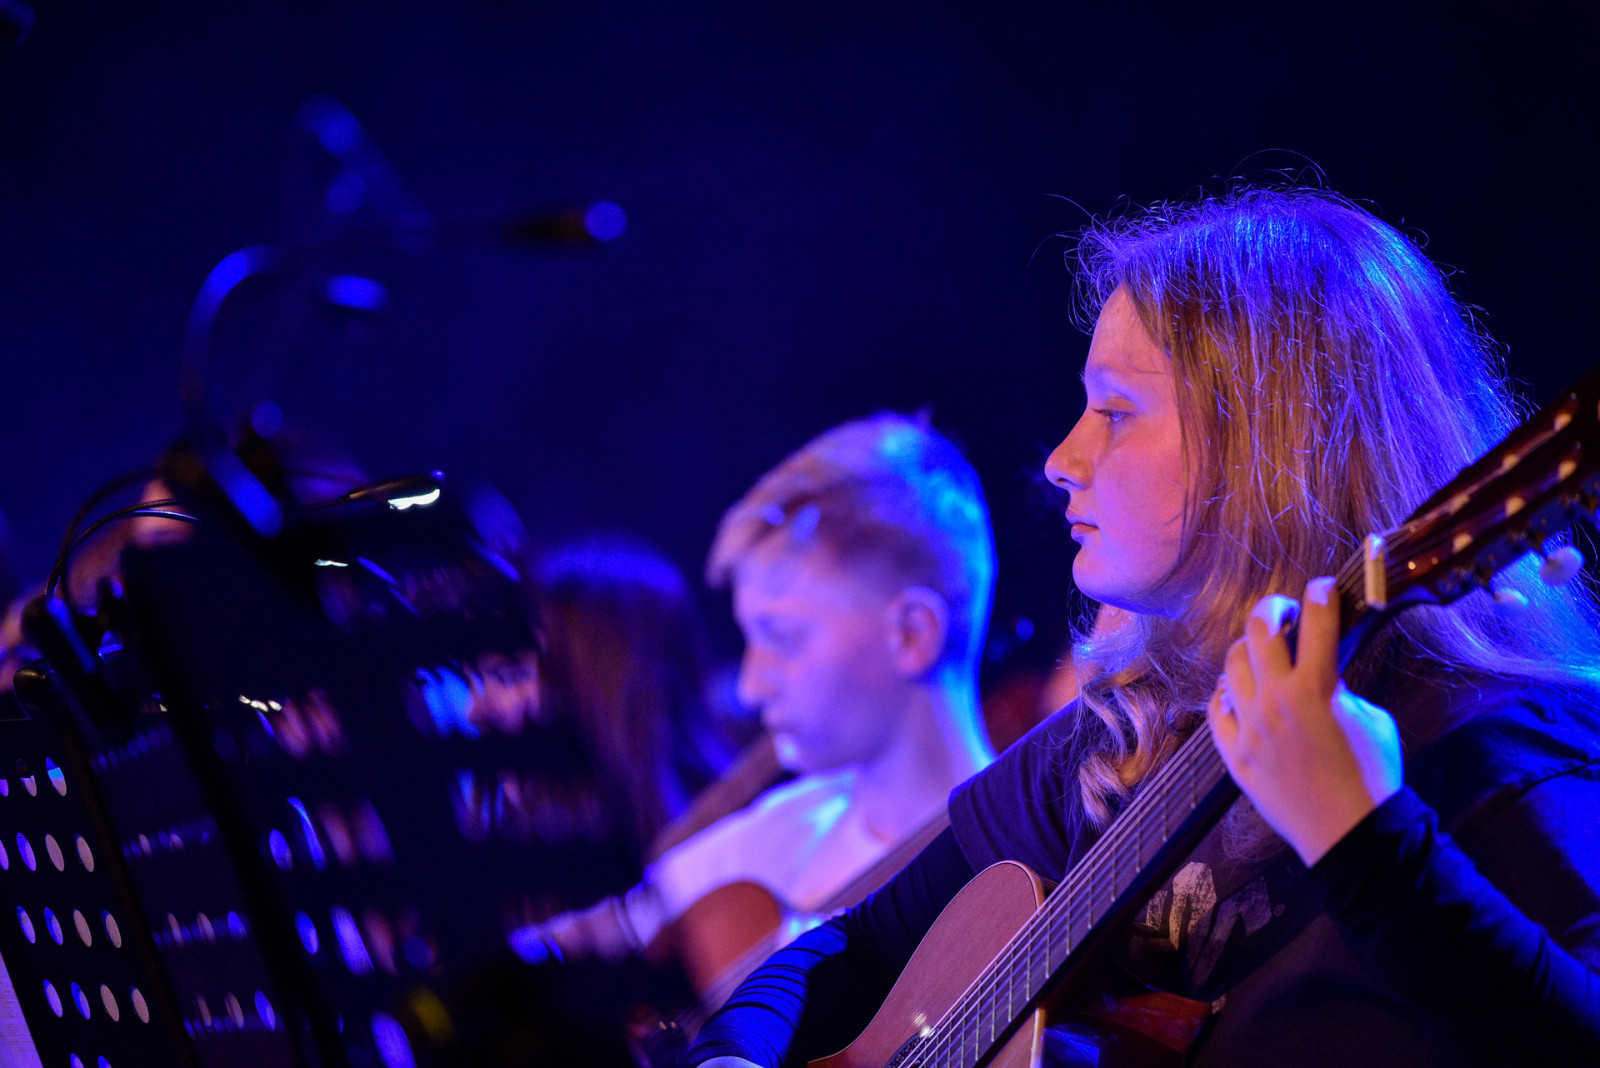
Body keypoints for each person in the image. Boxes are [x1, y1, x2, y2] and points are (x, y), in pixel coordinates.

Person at [688, 187, 1600, 1067]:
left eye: (1116, 412)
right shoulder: (1120, 737)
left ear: (1264, 446)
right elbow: (850, 949)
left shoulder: (1494, 747)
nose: (1060, 460)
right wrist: (730, 1057)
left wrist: (1364, 836)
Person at [513, 413, 997, 967]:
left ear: (911, 635)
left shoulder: (1024, 856)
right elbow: (574, 944)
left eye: (783, 638)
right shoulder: (780, 833)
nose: (750, 685)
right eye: (750, 639)